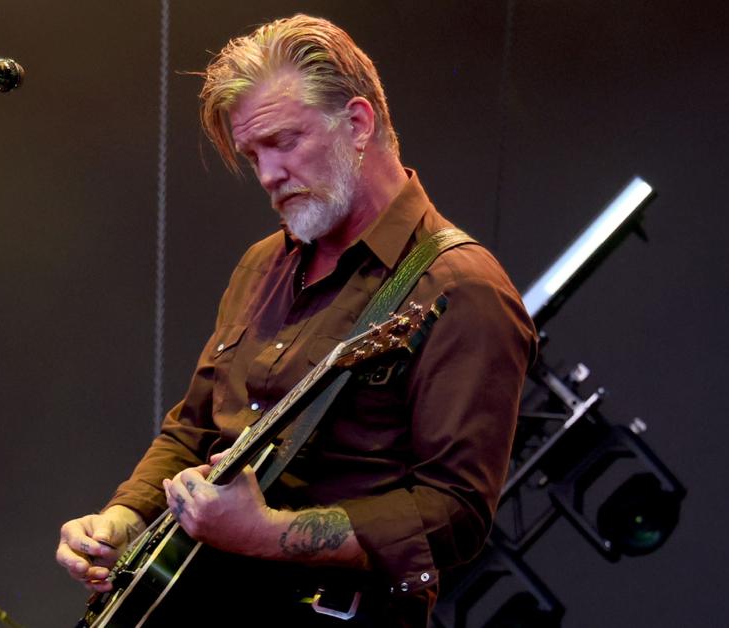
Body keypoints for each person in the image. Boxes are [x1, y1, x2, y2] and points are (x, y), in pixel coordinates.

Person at [57, 14, 537, 627]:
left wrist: (268, 533)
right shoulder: (262, 264)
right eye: (252, 154)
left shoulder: (461, 287)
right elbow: (193, 428)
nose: (267, 176)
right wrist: (122, 520)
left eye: (283, 142)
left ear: (358, 124)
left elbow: (455, 514)